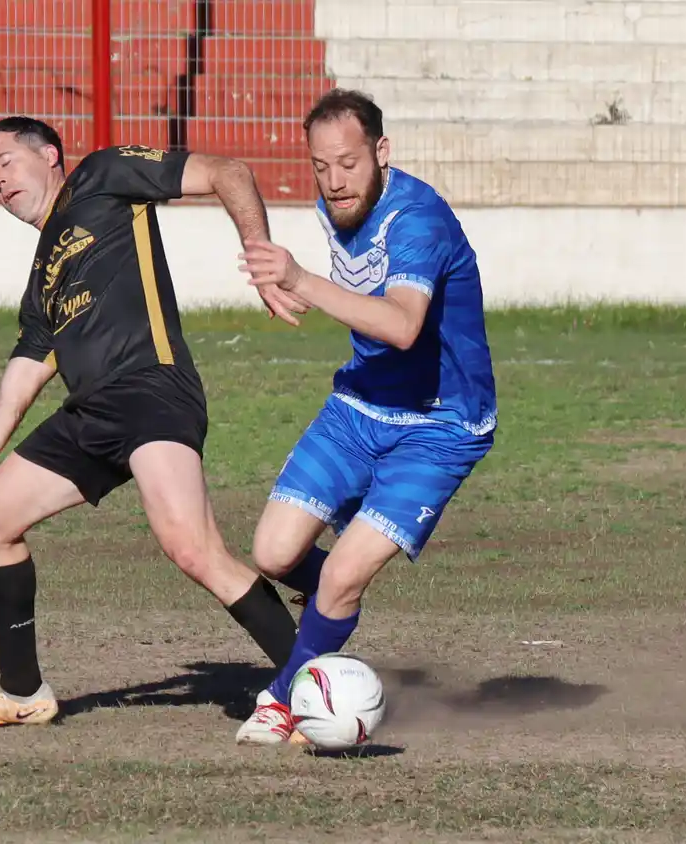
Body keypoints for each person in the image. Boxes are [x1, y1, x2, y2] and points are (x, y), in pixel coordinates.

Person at [0, 117, 307, 728]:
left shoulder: (100, 175)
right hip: (91, 414)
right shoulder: (42, 282)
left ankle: (315, 684)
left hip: (149, 390)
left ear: (51, 156)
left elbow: (230, 172)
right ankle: (22, 693)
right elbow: (9, 400)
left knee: (192, 547)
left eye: (6, 162)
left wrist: (262, 260)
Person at [231, 89, 497, 745]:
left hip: (442, 425)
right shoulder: (335, 204)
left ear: (381, 152)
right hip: (359, 405)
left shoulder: (417, 222)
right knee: (271, 551)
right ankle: (335, 606)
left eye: (348, 163)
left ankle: (283, 698)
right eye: (321, 166)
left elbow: (405, 326)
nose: (334, 180)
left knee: (343, 574)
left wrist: (298, 282)